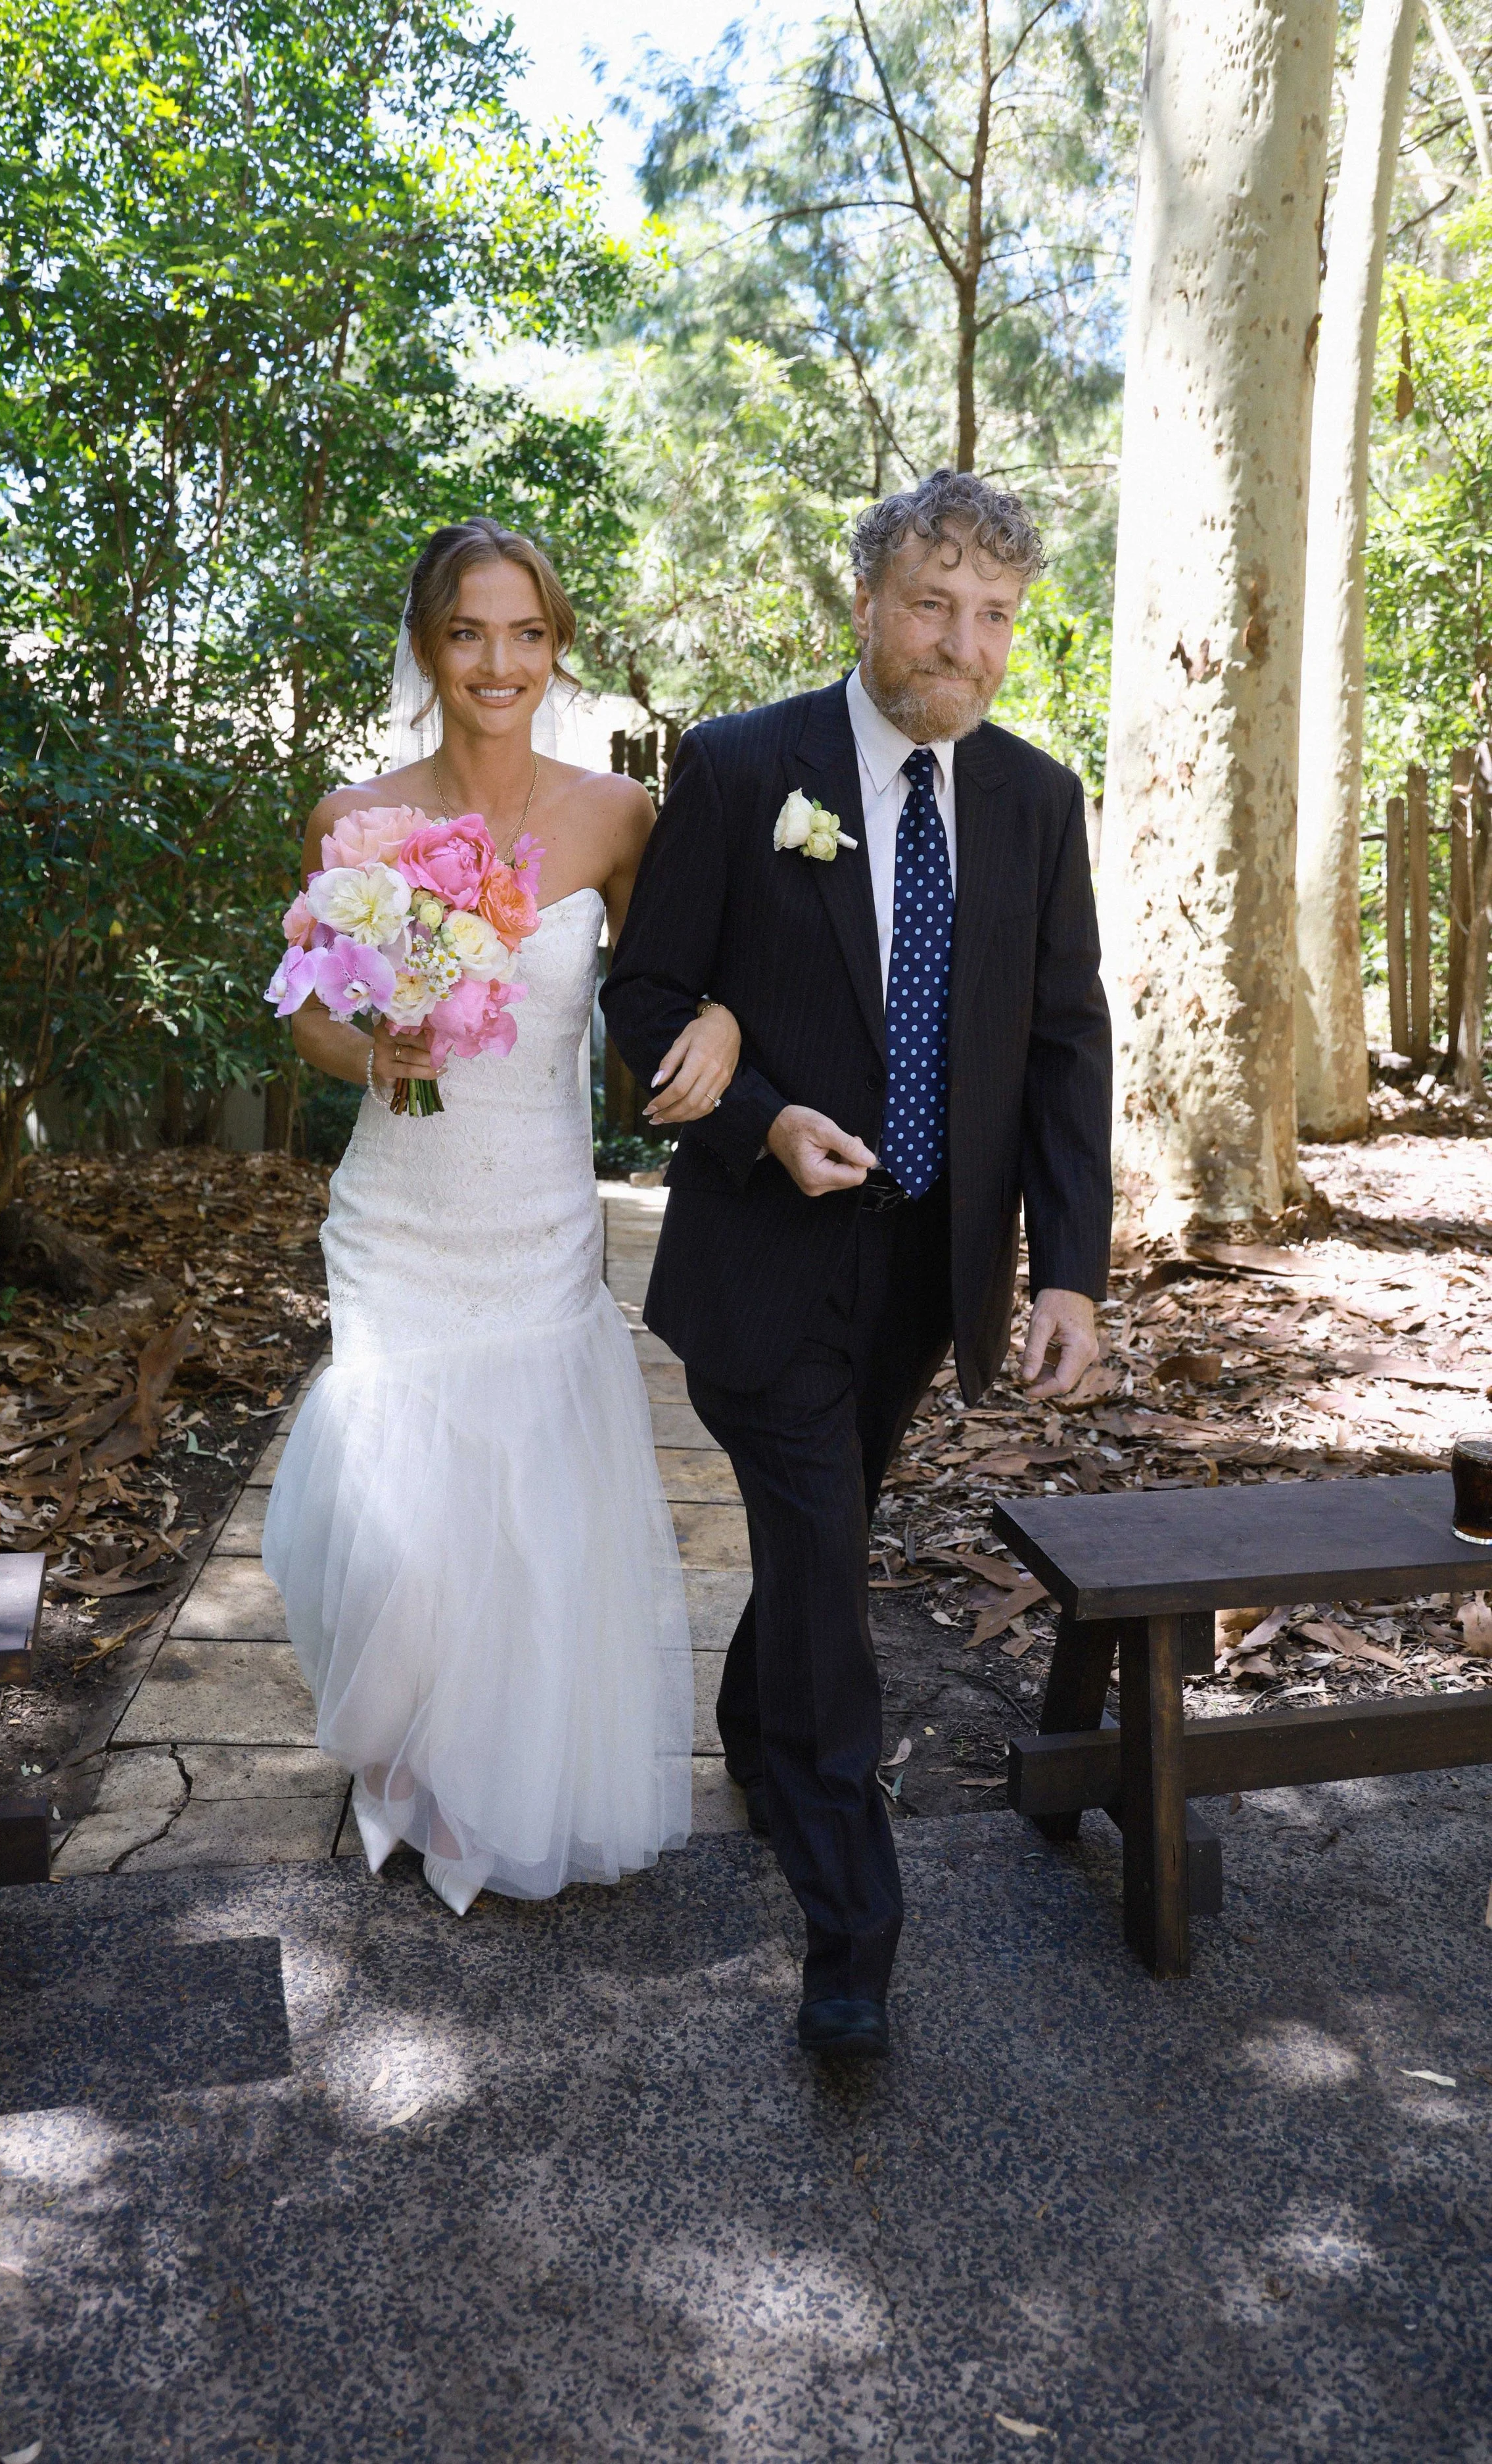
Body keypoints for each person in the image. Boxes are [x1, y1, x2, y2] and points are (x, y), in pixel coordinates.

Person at [601, 469, 1113, 2060]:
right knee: (829, 1571)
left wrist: (1067, 1273)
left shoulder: (1034, 798)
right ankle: (849, 1932)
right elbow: (643, 1000)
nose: (963, 644)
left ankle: (756, 1725)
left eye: (995, 618)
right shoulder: (744, 765)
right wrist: (759, 1120)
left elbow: (1060, 1043)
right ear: (867, 602)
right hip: (766, 1254)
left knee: (825, 1534)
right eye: (932, 604)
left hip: (926, 1273)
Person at [264, 517, 741, 1915]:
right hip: (397, 1213)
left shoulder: (615, 816)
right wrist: (378, 1053)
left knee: (526, 1515)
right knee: (403, 1518)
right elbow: (310, 1025)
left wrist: (717, 1016)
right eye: (468, 632)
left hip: (537, 1214)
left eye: (525, 633)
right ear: (427, 646)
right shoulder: (357, 819)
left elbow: (660, 987)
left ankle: (500, 1772)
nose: (498, 661)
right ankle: (405, 1750)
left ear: (556, 647)